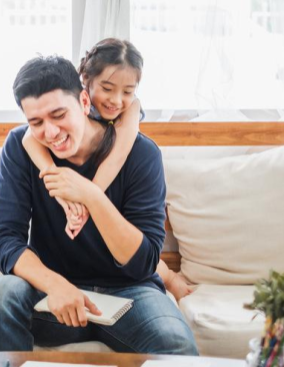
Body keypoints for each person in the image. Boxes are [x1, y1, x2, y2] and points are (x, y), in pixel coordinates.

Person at [0, 55, 198, 355]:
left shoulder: (141, 153)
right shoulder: (20, 146)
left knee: (175, 342)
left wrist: (92, 196)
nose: (51, 132)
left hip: (131, 293)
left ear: (83, 100)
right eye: (36, 122)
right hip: (52, 292)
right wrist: (55, 285)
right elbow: (5, 239)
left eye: (58, 114)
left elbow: (143, 262)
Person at [21, 38, 193, 300]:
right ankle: (166, 274)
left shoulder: (128, 119)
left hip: (123, 266)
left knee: (139, 250)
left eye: (127, 92)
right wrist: (61, 190)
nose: (115, 101)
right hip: (70, 268)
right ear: (85, 82)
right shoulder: (68, 110)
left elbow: (118, 155)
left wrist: (87, 196)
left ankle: (167, 276)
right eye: (107, 88)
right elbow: (26, 139)